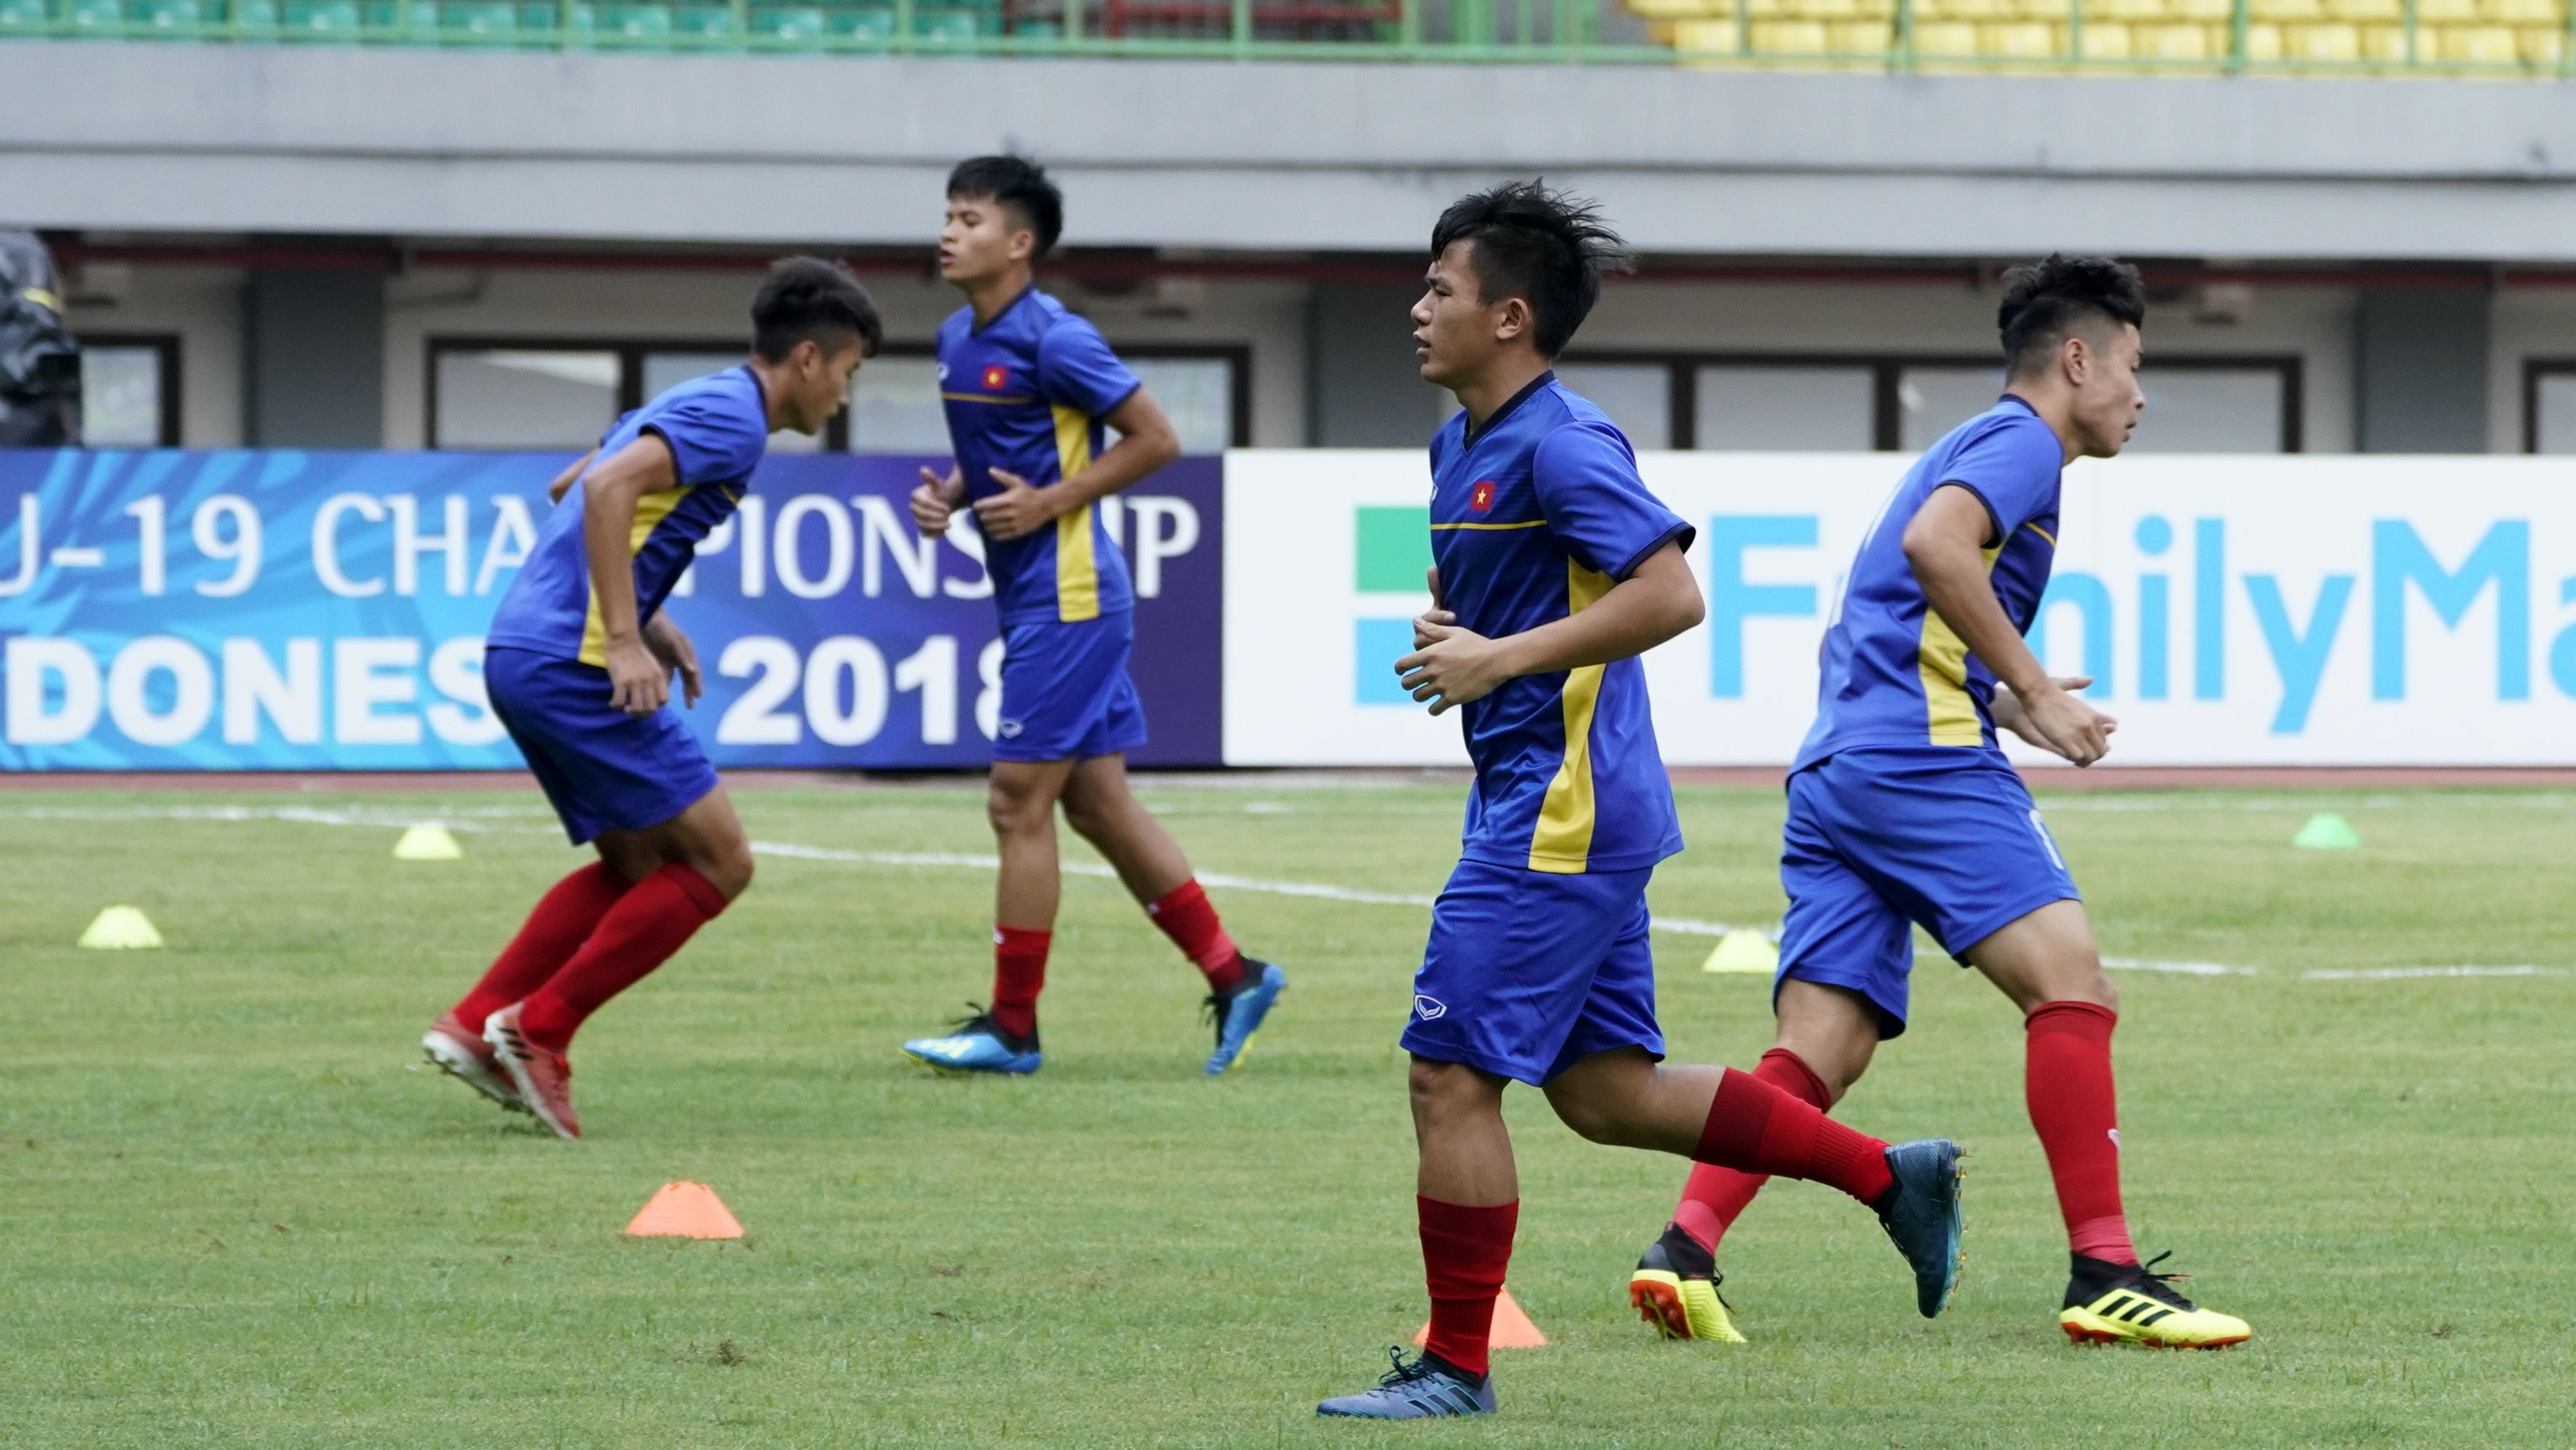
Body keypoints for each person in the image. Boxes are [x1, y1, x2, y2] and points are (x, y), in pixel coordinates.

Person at [1314, 182, 1965, 1422]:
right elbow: (1536, 605)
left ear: (1508, 316)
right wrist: (1464, 633)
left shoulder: (1565, 440)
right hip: (1553, 799)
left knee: (1446, 1075)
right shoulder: (1458, 441)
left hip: (1559, 812)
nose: (1416, 309)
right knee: (1604, 1091)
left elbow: (1668, 595)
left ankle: (1455, 1369)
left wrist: (1498, 659)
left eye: (1437, 290)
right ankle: (1892, 1176)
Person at [1625, 255, 2251, 1352]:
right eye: (2131, 367)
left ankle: (1682, 1249)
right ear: (2074, 359)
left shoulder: (1969, 443)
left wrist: (1999, 698)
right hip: (1915, 759)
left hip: (1840, 767)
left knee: (1823, 1038)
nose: (2138, 396)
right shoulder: (2019, 442)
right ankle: (2105, 1268)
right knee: (2071, 982)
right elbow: (1932, 549)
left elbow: (1905, 602)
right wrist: (2038, 689)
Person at [420, 258, 882, 1141]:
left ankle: (477, 1023)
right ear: (812, 358)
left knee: (638, 865)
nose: (847, 397)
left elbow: (572, 488)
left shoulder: (697, 396)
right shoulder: (732, 418)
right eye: (853, 373)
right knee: (721, 862)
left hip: (522, 646)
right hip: (574, 660)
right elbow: (600, 489)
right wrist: (625, 636)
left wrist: (650, 619)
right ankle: (535, 1030)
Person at [901, 155, 1284, 1078]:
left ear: (1019, 243)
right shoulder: (959, 333)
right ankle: (1237, 976)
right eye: (946, 216)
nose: (948, 232)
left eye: (968, 218)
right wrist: (951, 495)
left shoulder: (1055, 338)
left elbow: (1157, 437)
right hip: (1039, 597)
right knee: (1098, 803)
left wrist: (1049, 504)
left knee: (1013, 800)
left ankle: (1011, 1029)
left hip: (1070, 598)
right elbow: (997, 450)